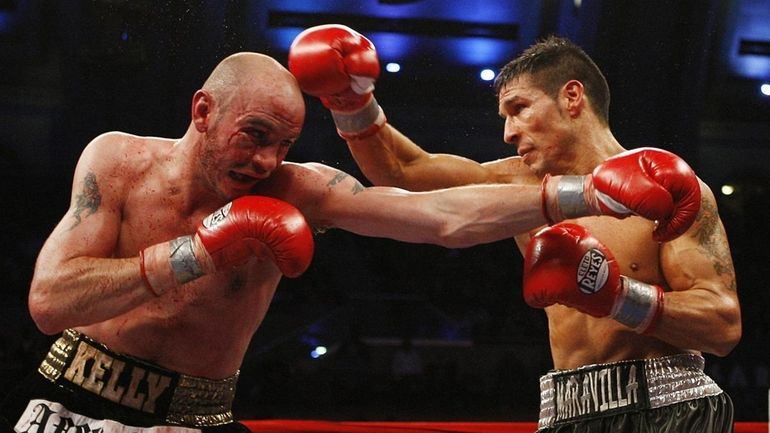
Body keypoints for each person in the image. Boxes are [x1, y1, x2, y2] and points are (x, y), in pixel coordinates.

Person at [0, 51, 697, 433]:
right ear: (203, 111)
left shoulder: (296, 189)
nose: (268, 161)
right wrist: (197, 252)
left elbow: (438, 216)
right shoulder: (115, 161)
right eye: (254, 136)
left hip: (197, 419)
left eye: (284, 144)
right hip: (71, 405)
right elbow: (48, 300)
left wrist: (588, 193)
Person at [289, 25, 741, 432]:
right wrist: (352, 102)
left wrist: (616, 296)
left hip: (670, 409)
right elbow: (405, 172)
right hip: (566, 412)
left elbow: (722, 326)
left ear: (571, 97)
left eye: (519, 109)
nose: (508, 131)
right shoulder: (517, 184)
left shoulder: (665, 188)